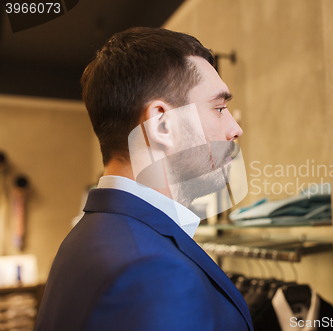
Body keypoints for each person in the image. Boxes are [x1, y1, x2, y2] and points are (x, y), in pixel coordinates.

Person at [34, 27, 252, 331]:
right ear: (162, 124)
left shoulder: (90, 234)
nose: (235, 128)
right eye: (219, 108)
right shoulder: (153, 273)